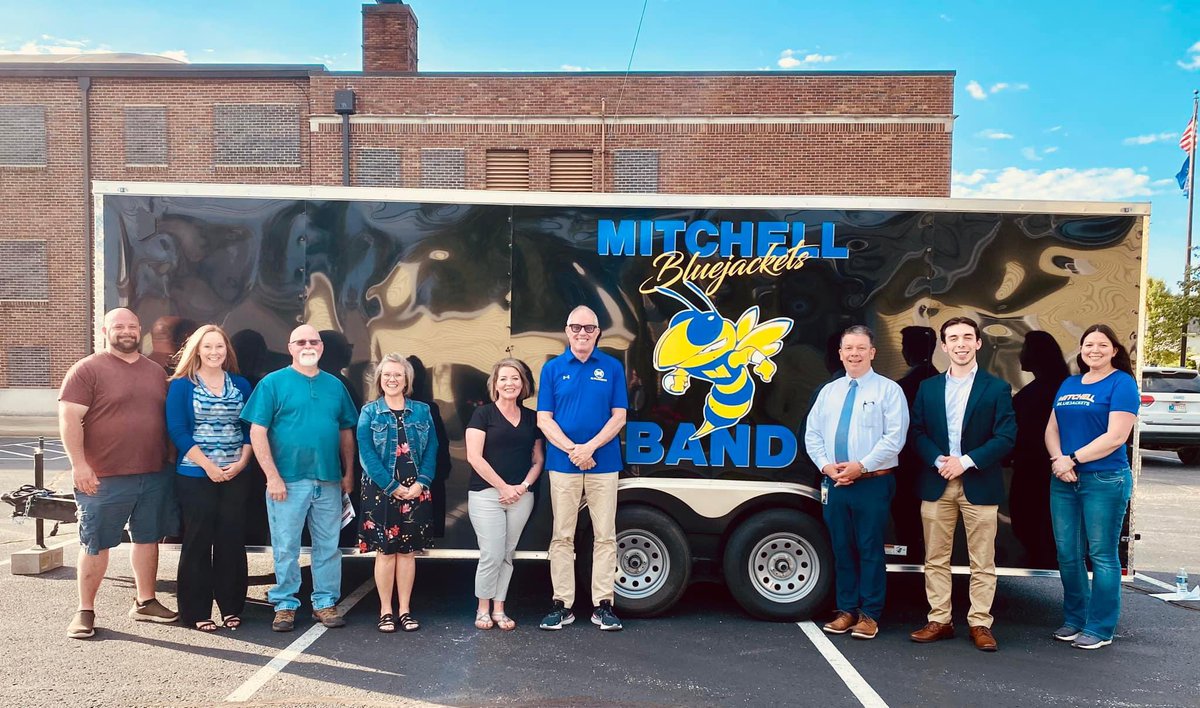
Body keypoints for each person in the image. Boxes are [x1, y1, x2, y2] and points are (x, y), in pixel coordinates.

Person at [59, 308, 179, 639]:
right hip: (103, 477)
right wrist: (79, 465)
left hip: (153, 473)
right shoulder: (86, 370)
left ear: (140, 331)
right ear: (105, 330)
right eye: (119, 326)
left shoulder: (155, 372)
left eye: (131, 326)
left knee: (147, 538)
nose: (126, 331)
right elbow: (69, 419)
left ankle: (146, 601)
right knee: (96, 543)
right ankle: (85, 610)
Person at [241, 324, 358, 632]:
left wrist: (348, 473)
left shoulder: (336, 386)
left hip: (329, 480)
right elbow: (257, 431)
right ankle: (285, 605)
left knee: (328, 546)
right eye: (301, 341)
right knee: (286, 546)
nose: (308, 346)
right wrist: (272, 477)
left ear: (321, 347)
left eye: (313, 341)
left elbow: (346, 431)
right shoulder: (272, 383)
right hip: (287, 481)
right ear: (290, 347)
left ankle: (324, 603)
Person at [908, 317, 1016, 652]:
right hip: (937, 480)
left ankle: (980, 623)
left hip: (979, 482)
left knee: (982, 561)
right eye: (953, 338)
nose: (961, 344)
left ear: (978, 343)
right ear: (944, 346)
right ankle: (939, 619)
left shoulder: (996, 388)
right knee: (935, 558)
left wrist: (964, 461)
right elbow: (917, 432)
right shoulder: (928, 388)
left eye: (967, 337)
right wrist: (940, 461)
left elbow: (1006, 437)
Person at [804, 324, 907, 640]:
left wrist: (860, 467)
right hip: (835, 483)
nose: (854, 354)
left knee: (869, 548)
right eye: (848, 348)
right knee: (842, 548)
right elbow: (813, 434)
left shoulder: (888, 391)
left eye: (861, 348)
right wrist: (826, 466)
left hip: (872, 483)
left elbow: (894, 439)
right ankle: (846, 610)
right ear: (840, 353)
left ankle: (870, 615)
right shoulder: (829, 392)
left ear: (872, 352)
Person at [1044, 324, 1138, 650]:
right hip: (1064, 479)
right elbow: (1051, 428)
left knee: (1102, 555)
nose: (1094, 350)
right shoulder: (1069, 383)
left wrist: (1072, 459)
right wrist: (1059, 460)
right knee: (1068, 554)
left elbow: (1116, 437)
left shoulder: (1122, 384)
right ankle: (1075, 619)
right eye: (1088, 344)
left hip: (1104, 479)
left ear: (1114, 350)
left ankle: (1100, 627)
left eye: (1102, 344)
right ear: (1081, 350)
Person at [537, 305, 629, 631]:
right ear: (566, 331)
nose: (582, 333)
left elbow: (619, 416)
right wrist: (574, 450)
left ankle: (603, 605)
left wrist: (590, 448)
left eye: (588, 328)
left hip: (603, 464)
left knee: (605, 536)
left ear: (598, 332)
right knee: (562, 536)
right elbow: (543, 419)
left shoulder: (613, 368)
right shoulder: (552, 369)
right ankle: (562, 604)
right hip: (563, 464)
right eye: (576, 327)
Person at [165, 325, 255, 632]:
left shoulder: (241, 384)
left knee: (231, 541)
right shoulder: (181, 385)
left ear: (227, 350)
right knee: (198, 541)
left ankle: (232, 608)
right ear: (197, 351)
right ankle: (196, 612)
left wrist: (242, 462)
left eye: (219, 347)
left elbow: (249, 429)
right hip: (194, 474)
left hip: (235, 474)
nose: (214, 352)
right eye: (208, 347)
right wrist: (208, 466)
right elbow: (177, 430)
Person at [356, 353, 439, 633]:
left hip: (417, 491)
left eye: (398, 375)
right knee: (385, 553)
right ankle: (385, 611)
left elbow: (432, 450)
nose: (392, 379)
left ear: (407, 380)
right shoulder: (369, 412)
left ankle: (405, 610)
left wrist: (421, 482)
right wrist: (393, 487)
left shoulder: (422, 411)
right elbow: (366, 455)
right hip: (381, 492)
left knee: (407, 553)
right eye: (387, 374)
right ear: (380, 379)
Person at [466, 358, 545, 631]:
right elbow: (474, 457)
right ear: (495, 384)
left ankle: (500, 608)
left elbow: (538, 460)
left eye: (515, 378)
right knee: (491, 553)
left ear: (523, 384)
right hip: (486, 495)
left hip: (521, 496)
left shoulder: (533, 417)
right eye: (503, 379)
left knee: (508, 554)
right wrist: (503, 487)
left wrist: (522, 488)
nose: (509, 383)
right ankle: (482, 608)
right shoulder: (483, 415)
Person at [1009, 331, 1070, 568]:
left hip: (1036, 470)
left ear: (1036, 354)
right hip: (1038, 467)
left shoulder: (1043, 391)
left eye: (1025, 347)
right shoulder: (1053, 386)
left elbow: (1030, 431)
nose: (1020, 353)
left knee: (1030, 523)